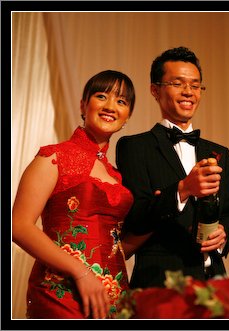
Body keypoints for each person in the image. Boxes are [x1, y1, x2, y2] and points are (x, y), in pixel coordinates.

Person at [116, 46, 229, 288]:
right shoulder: (134, 147)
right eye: (178, 83)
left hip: (214, 283)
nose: (189, 92)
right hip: (159, 284)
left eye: (195, 86)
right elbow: (135, 218)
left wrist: (225, 232)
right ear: (155, 90)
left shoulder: (219, 153)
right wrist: (183, 189)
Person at [12, 70, 136, 318]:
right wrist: (81, 272)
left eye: (121, 101)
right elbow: (18, 226)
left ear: (127, 116)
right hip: (61, 292)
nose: (111, 106)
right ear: (83, 105)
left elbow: (115, 247)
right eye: (102, 96)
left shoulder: (116, 175)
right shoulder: (54, 156)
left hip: (112, 298)